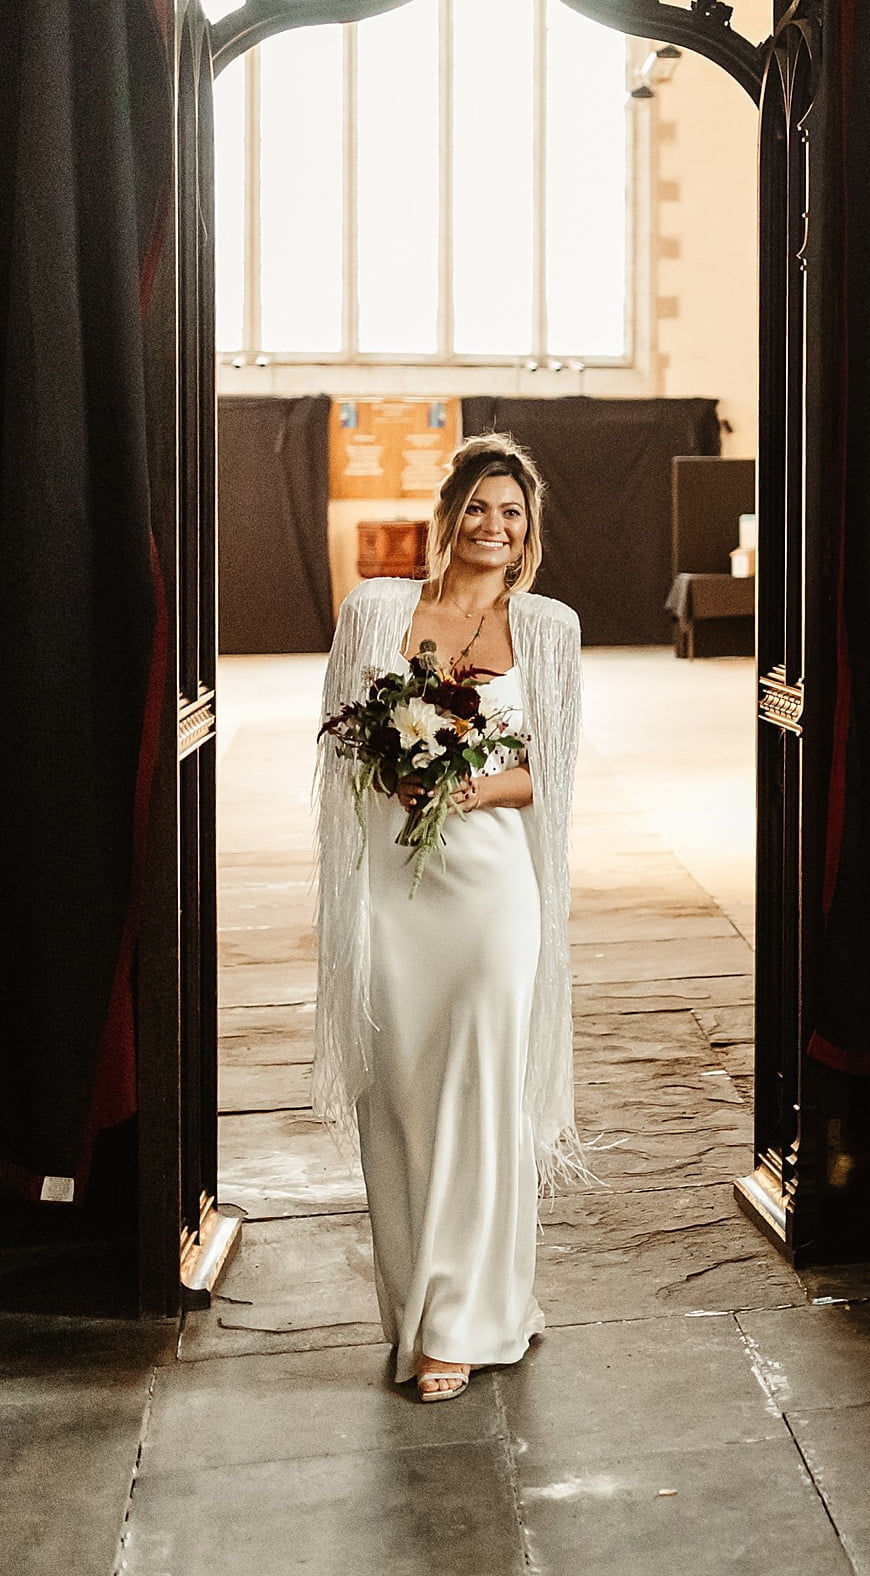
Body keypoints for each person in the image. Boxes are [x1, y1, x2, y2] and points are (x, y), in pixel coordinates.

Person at [313, 434, 584, 1402]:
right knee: (403, 1099)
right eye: (478, 506)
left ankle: (461, 1325)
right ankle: (439, 1311)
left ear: (529, 530)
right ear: (448, 515)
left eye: (511, 512)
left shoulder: (549, 627)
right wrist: (399, 769)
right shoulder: (377, 609)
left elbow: (544, 772)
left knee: (480, 1094)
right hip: (392, 891)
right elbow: (338, 748)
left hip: (493, 892)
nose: (493, 526)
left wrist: (461, 788)